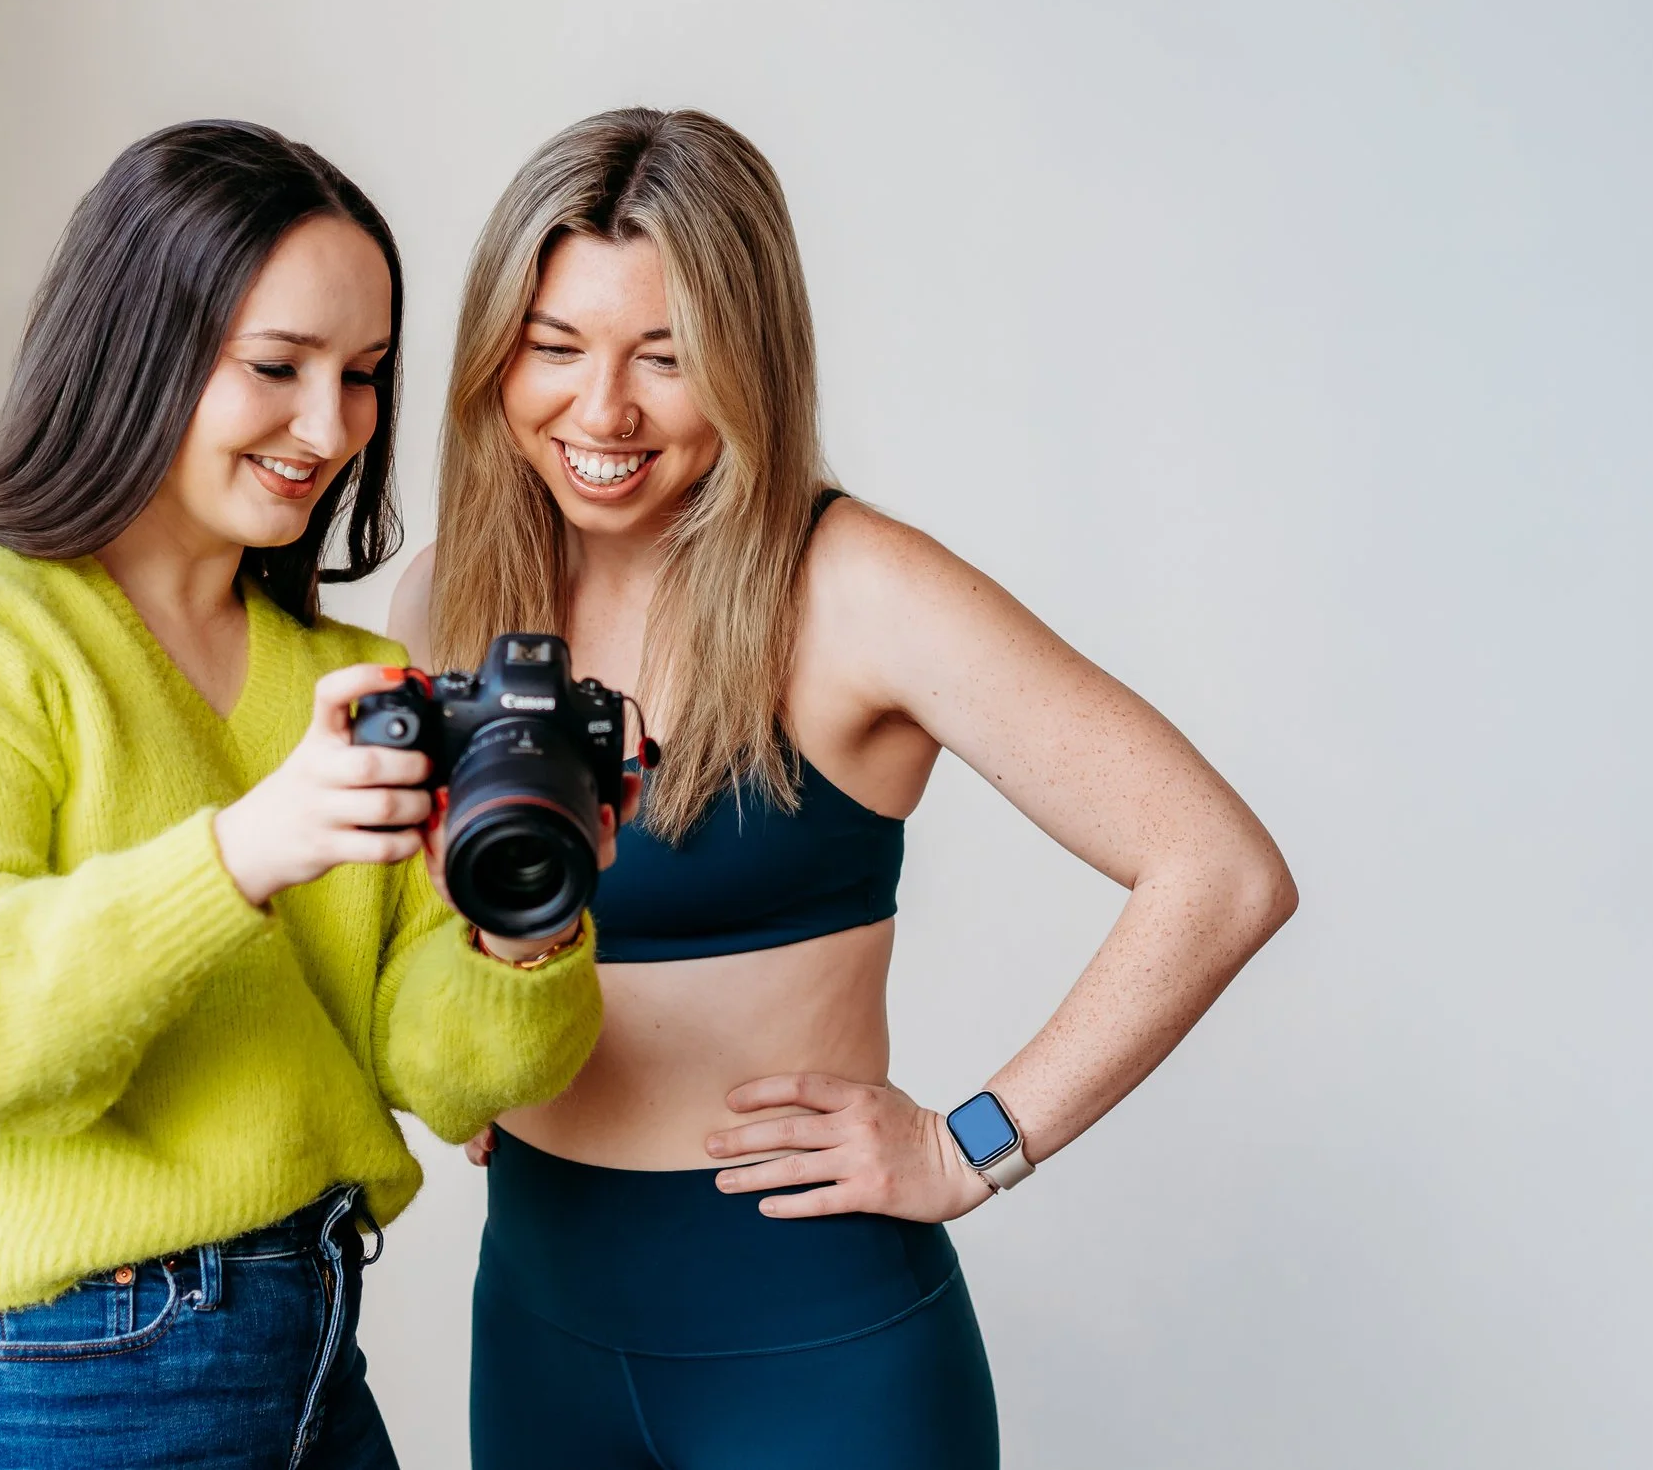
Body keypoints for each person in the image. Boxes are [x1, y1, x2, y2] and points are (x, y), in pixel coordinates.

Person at [390, 108, 1299, 1470]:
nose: (602, 411)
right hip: (538, 1325)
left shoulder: (856, 588)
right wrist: (467, 1052)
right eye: (557, 345)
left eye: (667, 356)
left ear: (749, 363)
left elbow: (1218, 869)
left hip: (814, 1346)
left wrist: (969, 1142)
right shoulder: (457, 600)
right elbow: (432, 940)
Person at [0, 121, 624, 1470]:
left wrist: (522, 922)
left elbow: (448, 1075)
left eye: (366, 376)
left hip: (308, 1347)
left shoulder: (352, 676)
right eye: (276, 366)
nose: (329, 427)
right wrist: (240, 852)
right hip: (32, 1369)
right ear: (139, 346)